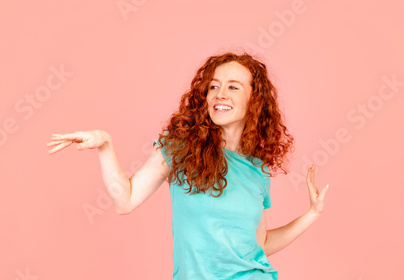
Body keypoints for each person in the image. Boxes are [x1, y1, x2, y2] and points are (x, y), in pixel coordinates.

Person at [46, 51, 329, 279]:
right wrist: (105, 146)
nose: (220, 94)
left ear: (254, 100)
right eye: (214, 86)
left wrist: (311, 215)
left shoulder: (257, 168)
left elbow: (260, 245)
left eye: (233, 87)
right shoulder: (180, 149)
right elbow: (125, 201)